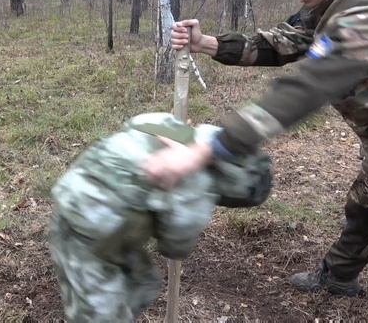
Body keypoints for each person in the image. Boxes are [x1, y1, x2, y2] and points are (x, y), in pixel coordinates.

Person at [143, 0, 368, 321]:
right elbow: (286, 41)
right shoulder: (338, 0)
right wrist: (208, 44)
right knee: (364, 209)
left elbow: (311, 84)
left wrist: (212, 147)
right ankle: (338, 277)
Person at [49, 112, 272, 322]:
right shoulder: (196, 182)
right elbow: (175, 246)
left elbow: (133, 124)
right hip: (91, 233)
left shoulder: (168, 125)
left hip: (75, 191)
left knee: (142, 282)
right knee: (100, 310)